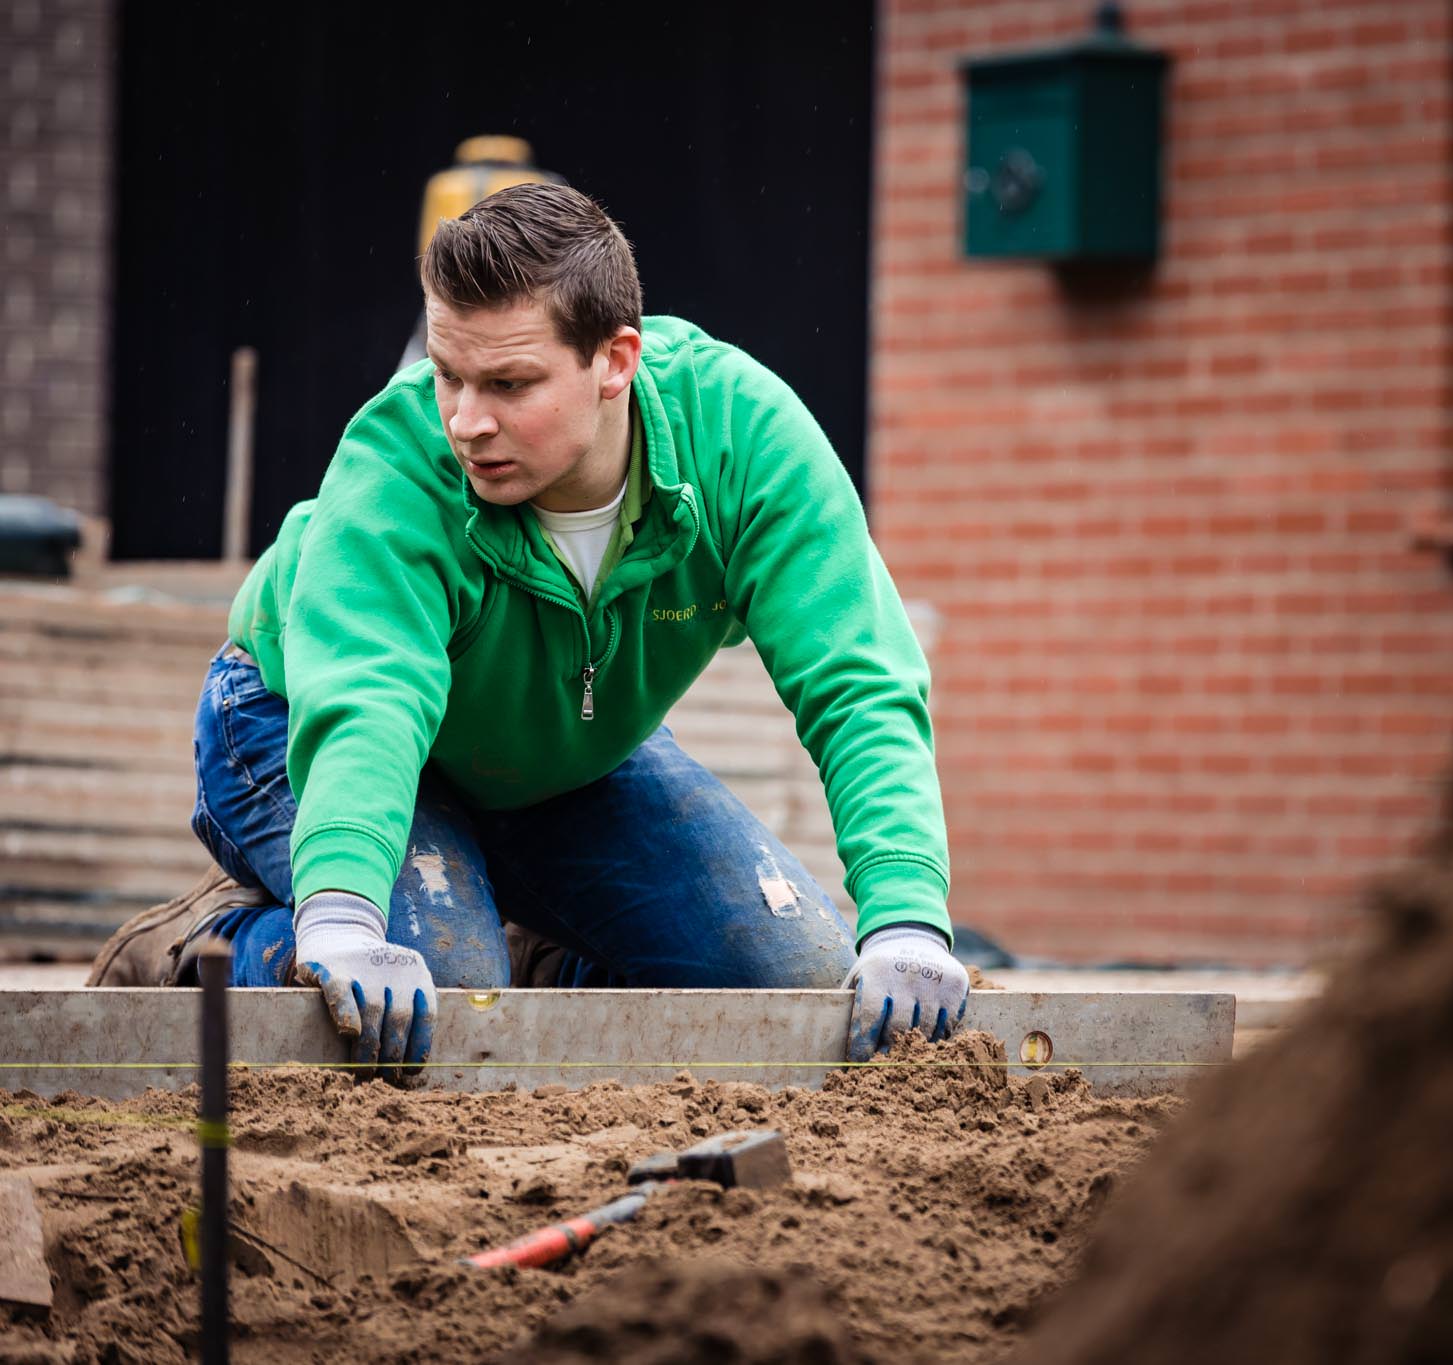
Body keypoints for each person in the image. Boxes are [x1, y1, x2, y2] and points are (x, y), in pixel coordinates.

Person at [165, 182, 966, 1081]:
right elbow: (367, 703)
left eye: (509, 384)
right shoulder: (399, 463)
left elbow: (856, 681)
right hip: (288, 714)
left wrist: (906, 917)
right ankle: (217, 943)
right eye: (448, 374)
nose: (467, 421)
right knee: (442, 986)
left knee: (792, 980)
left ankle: (529, 948)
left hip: (560, 754)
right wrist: (345, 917)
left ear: (615, 360)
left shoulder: (743, 437)